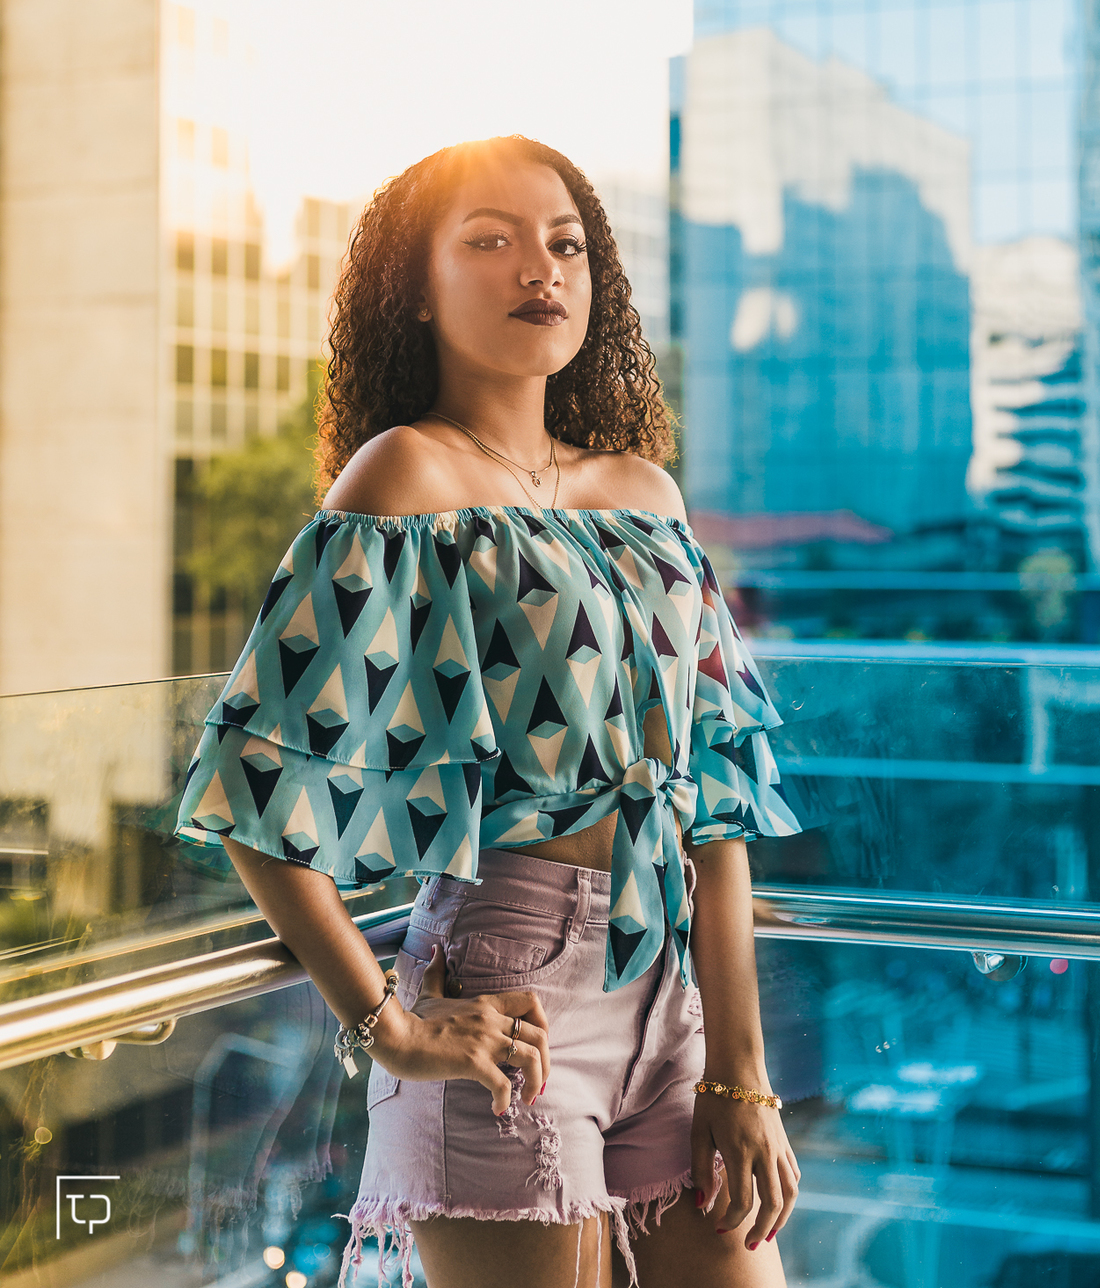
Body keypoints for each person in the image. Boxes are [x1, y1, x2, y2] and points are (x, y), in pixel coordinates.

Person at [175, 135, 802, 1288]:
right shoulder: (402, 480)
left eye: (565, 244)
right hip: (507, 997)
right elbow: (252, 798)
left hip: (669, 1000)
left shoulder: (644, 495)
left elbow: (711, 800)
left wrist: (741, 1074)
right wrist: (392, 1029)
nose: (541, 270)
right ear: (415, 289)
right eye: (492, 241)